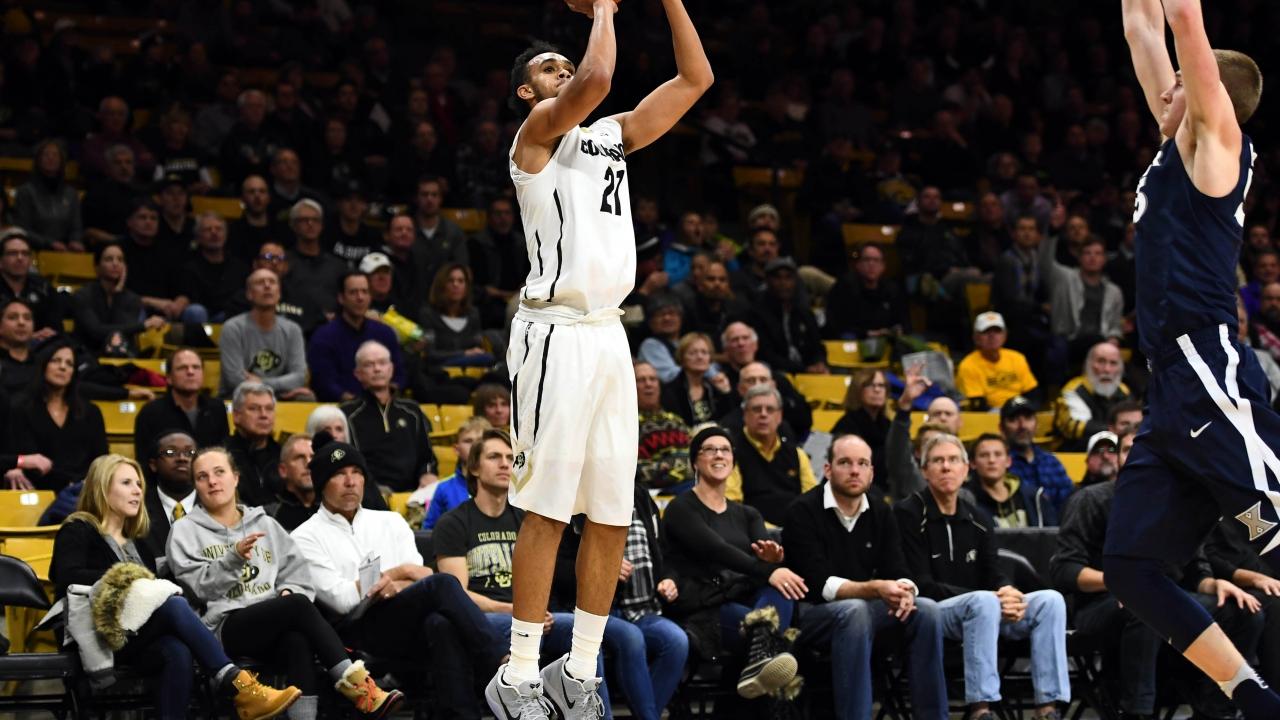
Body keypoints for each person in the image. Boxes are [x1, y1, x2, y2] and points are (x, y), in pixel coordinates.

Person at [489, 4, 714, 714]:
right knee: (548, 509)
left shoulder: (609, 135)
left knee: (614, 512)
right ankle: (518, 674)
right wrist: (608, 8)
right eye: (547, 68)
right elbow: (596, 78)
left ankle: (580, 670)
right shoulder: (534, 136)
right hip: (554, 331)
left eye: (564, 62)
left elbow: (696, 79)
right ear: (527, 92)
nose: (563, 71)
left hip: (609, 333)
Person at [1115, 4, 1280, 713]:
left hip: (1210, 376)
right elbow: (1142, 27)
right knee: (1131, 566)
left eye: (1179, 82)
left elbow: (1182, 17)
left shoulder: (1218, 146)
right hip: (1169, 394)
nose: (1165, 89)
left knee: (1275, 536)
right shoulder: (1173, 148)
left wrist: (1186, 42)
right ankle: (1254, 699)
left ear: (1208, 92)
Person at [49, 454, 301, 720]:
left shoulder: (138, 543)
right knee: (173, 604)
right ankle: (237, 682)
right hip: (96, 634)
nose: (137, 491)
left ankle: (231, 685)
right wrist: (129, 577)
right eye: (126, 483)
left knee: (177, 651)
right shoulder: (78, 529)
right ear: (102, 487)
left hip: (133, 635)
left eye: (139, 484)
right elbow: (67, 577)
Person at [167, 448, 403, 719]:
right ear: (195, 486)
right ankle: (360, 688)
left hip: (273, 621)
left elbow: (298, 575)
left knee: (298, 639)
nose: (212, 481)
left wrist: (288, 590)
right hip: (223, 627)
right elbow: (198, 589)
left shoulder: (265, 524)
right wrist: (232, 560)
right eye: (202, 476)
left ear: (236, 477)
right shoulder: (184, 530)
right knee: (297, 607)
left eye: (219, 472)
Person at [291, 433, 503, 720]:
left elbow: (421, 575)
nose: (351, 481)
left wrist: (394, 581)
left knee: (440, 623)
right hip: (355, 630)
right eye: (339, 474)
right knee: (442, 584)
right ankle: (500, 663)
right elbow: (341, 600)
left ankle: (462, 715)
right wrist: (399, 573)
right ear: (321, 483)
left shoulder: (390, 520)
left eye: (356, 472)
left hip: (403, 619)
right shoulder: (305, 536)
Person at [1053, 429, 1264, 718]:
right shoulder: (1090, 499)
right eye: (1129, 450)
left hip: (1165, 597)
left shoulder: (1176, 506)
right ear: (1118, 458)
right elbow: (1065, 569)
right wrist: (1124, 584)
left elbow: (1195, 570)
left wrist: (1215, 584)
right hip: (1100, 605)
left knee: (1241, 610)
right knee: (1146, 608)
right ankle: (1137, 712)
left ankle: (1216, 711)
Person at [897, 433, 1070, 720]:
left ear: (966, 469)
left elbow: (994, 571)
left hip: (984, 610)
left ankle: (1047, 708)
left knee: (1050, 601)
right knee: (983, 602)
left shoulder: (978, 518)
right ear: (924, 470)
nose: (946, 467)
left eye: (953, 460)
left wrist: (1007, 591)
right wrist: (991, 597)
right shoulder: (908, 513)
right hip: (934, 611)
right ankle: (981, 708)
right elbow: (921, 584)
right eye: (938, 461)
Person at [436, 430, 610, 704]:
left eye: (510, 457)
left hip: (532, 614)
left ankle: (586, 710)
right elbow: (456, 593)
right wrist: (512, 610)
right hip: (485, 617)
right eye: (494, 457)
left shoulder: (529, 522)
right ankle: (524, 706)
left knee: (585, 637)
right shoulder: (453, 523)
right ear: (474, 469)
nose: (505, 464)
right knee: (528, 631)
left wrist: (533, 613)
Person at [783, 434, 947, 720]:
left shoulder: (881, 510)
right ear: (828, 469)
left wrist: (905, 591)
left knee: (927, 610)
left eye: (862, 464)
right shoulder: (802, 511)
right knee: (854, 611)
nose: (855, 471)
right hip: (811, 614)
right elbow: (820, 584)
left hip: (863, 610)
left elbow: (897, 569)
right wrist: (876, 588)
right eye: (845, 463)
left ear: (871, 472)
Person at [663, 427, 804, 699]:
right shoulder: (681, 508)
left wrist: (772, 560)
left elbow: (764, 555)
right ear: (695, 462)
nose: (719, 454)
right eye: (710, 449)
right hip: (706, 606)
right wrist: (767, 569)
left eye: (725, 450)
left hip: (746, 597)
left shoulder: (748, 513)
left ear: (733, 461)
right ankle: (765, 677)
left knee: (781, 589)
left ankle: (758, 667)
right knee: (774, 635)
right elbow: (716, 549)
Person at [551, 466, 689, 720]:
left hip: (643, 607)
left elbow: (664, 553)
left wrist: (669, 578)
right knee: (628, 638)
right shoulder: (574, 498)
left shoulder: (641, 497)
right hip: (592, 609)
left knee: (676, 640)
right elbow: (555, 569)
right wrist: (601, 569)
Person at [9, 341, 107, 493]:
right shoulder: (21, 408)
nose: (63, 367)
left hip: (82, 491)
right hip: (36, 489)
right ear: (43, 365)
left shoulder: (91, 412)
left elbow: (101, 459)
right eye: (56, 361)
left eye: (69, 364)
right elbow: (17, 454)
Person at [341, 341, 438, 492]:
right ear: (358, 374)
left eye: (382, 363)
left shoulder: (412, 410)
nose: (377, 369)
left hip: (415, 492)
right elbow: (347, 461)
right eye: (369, 365)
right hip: (368, 493)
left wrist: (427, 474)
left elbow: (427, 456)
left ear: (391, 369)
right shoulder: (347, 414)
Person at [726, 385, 818, 526]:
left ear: (779, 416)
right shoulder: (731, 454)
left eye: (770, 409)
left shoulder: (797, 454)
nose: (763, 414)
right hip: (752, 532)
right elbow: (733, 507)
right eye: (756, 409)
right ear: (745, 415)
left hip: (796, 529)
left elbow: (813, 500)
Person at [307, 271, 405, 402]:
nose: (360, 298)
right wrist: (357, 404)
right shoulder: (324, 337)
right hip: (339, 408)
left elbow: (399, 376)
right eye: (353, 292)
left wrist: (385, 397)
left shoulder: (385, 333)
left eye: (365, 292)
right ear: (341, 298)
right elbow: (324, 383)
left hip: (384, 405)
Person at [220, 269, 313, 400]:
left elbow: (299, 376)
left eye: (272, 282)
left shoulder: (293, 330)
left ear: (279, 293)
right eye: (260, 282)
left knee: (306, 398)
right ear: (249, 294)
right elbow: (234, 378)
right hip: (241, 395)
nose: (267, 286)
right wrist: (277, 385)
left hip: (279, 394)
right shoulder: (233, 328)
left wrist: (262, 383)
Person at [133, 348, 229, 474]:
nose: (190, 372)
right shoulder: (150, 413)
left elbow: (223, 455)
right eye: (182, 368)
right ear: (169, 378)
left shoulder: (217, 408)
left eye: (196, 367)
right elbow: (145, 463)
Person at [72, 242, 165, 357]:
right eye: (109, 259)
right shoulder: (83, 295)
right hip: (88, 354)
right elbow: (95, 331)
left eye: (120, 260)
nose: (115, 263)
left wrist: (118, 293)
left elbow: (122, 332)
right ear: (97, 267)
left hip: (121, 355)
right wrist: (143, 325)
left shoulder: (132, 299)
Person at [1001, 395, 1071, 522]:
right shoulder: (998, 464)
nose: (1022, 425)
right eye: (1013, 419)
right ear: (1001, 428)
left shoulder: (1052, 462)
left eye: (1028, 418)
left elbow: (1069, 502)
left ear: (1036, 424)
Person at [1053, 342, 1133, 451]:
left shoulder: (1124, 390)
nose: (1107, 369)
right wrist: (1115, 429)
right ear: (1088, 364)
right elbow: (1077, 428)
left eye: (1113, 363)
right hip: (1078, 452)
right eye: (1101, 361)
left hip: (1116, 450)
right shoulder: (1074, 390)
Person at [964, 433, 1051, 528]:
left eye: (998, 454)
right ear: (973, 463)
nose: (992, 460)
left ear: (1008, 461)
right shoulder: (965, 501)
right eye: (984, 455)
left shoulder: (1033, 498)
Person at [957, 311, 1040, 410]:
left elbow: (1032, 393)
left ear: (1005, 335)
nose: (992, 335)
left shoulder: (1017, 358)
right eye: (986, 331)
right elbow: (977, 404)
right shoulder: (968, 365)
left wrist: (1021, 408)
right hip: (989, 414)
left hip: (1019, 409)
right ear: (976, 338)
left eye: (997, 331)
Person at [423, 416, 492, 530]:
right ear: (456, 449)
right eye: (468, 441)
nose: (475, 446)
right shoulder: (443, 489)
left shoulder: (504, 486)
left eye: (480, 440)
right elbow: (429, 532)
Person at [13, 138, 83, 250]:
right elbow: (22, 229)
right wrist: (48, 243)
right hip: (34, 249)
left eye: (55, 155)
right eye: (46, 154)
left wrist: (75, 241)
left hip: (65, 250)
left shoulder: (71, 194)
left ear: (62, 161)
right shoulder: (26, 192)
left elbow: (76, 227)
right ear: (38, 160)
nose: (51, 158)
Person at [418, 263, 493, 366]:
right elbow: (430, 354)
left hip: (472, 369)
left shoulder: (473, 314)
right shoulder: (428, 315)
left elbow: (478, 349)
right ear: (441, 286)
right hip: (440, 371)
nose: (456, 285)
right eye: (450, 280)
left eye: (461, 281)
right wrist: (464, 353)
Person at [140, 430, 197, 564]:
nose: (182, 458)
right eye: (170, 452)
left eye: (190, 453)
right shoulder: (138, 509)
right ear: (153, 465)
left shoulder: (216, 506)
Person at [635, 360, 692, 493]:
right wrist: (678, 468)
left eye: (653, 379)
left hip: (689, 486)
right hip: (652, 493)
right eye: (641, 380)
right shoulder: (627, 424)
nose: (648, 384)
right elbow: (631, 470)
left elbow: (697, 456)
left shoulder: (675, 420)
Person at [182, 213, 251, 323]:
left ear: (226, 235)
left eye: (219, 229)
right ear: (198, 237)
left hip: (230, 316)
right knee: (196, 311)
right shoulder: (189, 268)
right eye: (208, 229)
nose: (214, 233)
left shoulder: (239, 267)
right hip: (203, 318)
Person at [225, 382, 283, 507]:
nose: (264, 415)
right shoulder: (223, 455)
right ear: (236, 416)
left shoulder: (284, 454)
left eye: (269, 409)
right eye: (254, 408)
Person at [831, 368, 892, 484]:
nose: (877, 390)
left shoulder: (888, 425)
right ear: (857, 390)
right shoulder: (847, 425)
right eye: (870, 385)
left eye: (881, 385)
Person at [659, 332, 732, 426]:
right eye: (693, 353)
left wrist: (726, 393)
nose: (700, 357)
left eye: (704, 352)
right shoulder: (670, 391)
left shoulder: (714, 388)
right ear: (682, 358)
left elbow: (728, 419)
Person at [0, 229, 62, 339]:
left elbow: (55, 328)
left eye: (25, 254)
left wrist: (47, 334)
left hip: (39, 346)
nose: (20, 258)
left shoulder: (44, 287)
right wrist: (28, 337)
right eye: (13, 253)